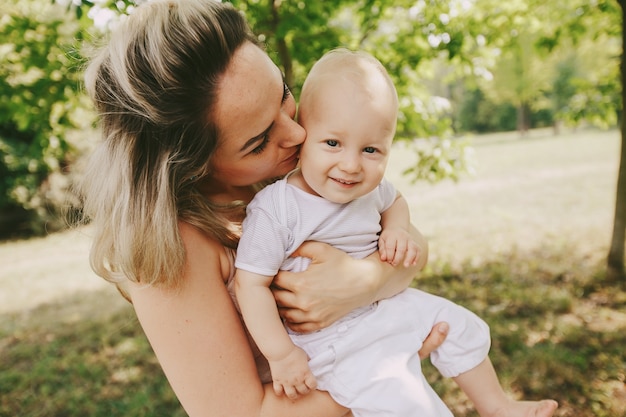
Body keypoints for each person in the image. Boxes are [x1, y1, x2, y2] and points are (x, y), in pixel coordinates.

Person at [77, 0, 449, 416]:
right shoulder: (170, 251)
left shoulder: (286, 174)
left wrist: (369, 282)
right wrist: (381, 361)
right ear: (191, 165)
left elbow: (408, 240)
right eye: (258, 140)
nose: (295, 132)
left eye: (284, 94)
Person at [234, 49, 559, 417]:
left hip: (382, 305)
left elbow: (396, 200)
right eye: (333, 143)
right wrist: (281, 354)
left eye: (371, 149)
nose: (352, 165)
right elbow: (250, 285)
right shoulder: (277, 208)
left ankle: (497, 406)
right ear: (303, 135)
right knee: (409, 402)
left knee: (459, 325)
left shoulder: (370, 189)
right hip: (332, 341)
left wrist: (397, 228)